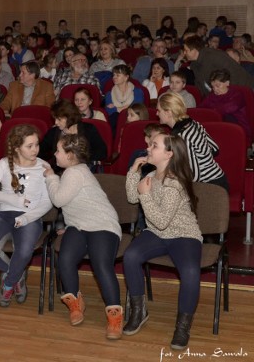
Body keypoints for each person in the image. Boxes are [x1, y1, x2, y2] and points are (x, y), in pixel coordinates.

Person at [124, 133, 203, 350]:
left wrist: (146, 195)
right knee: (130, 256)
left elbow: (161, 221)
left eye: (153, 145)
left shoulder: (175, 183)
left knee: (190, 271)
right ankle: (139, 312)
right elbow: (132, 197)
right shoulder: (151, 174)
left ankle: (182, 326)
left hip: (183, 234)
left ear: (168, 154)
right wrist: (133, 172)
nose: (148, 148)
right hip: (157, 233)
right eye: (149, 144)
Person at [44, 134, 123, 340]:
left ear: (70, 156)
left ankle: (115, 316)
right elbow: (75, 204)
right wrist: (70, 225)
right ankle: (75, 303)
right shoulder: (74, 170)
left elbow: (59, 199)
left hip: (102, 224)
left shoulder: (74, 172)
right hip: (78, 225)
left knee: (101, 265)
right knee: (66, 259)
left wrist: (51, 176)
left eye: (59, 151)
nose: (55, 154)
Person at [0, 124, 52, 307]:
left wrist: (27, 217)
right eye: (30, 146)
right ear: (17, 147)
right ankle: (16, 274)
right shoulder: (4, 163)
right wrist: (15, 200)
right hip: (5, 214)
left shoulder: (44, 166)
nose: (35, 149)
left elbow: (47, 202)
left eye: (37, 144)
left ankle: (9, 284)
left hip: (31, 217)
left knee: (24, 250)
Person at [156, 93, 227, 189]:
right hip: (219, 180)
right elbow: (215, 149)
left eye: (159, 110)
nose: (157, 113)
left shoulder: (182, 136)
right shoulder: (193, 123)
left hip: (210, 187)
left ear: (168, 112)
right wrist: (204, 159)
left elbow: (194, 175)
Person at [40, 99, 107, 170]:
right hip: (60, 173)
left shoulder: (89, 129)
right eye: (55, 119)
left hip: (84, 170)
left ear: (69, 117)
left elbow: (102, 152)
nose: (56, 122)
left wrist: (77, 158)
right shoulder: (53, 133)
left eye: (59, 119)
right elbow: (41, 151)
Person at [183, 35, 252, 96]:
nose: (184, 53)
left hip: (244, 89)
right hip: (221, 93)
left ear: (195, 50)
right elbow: (202, 87)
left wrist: (228, 96)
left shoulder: (214, 56)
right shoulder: (195, 64)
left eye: (186, 50)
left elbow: (234, 73)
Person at [200, 69, 251, 142]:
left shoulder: (237, 94)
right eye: (213, 87)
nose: (215, 89)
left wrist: (212, 111)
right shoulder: (212, 96)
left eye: (218, 86)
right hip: (219, 128)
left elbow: (230, 108)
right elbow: (201, 108)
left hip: (238, 128)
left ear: (227, 83)